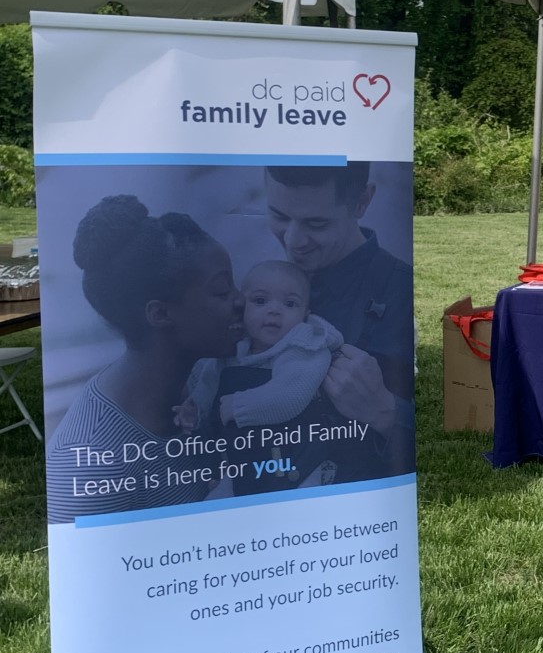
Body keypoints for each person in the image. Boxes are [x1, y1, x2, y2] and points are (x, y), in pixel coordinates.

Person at [46, 195, 244, 522]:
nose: (241, 300)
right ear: (160, 313)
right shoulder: (88, 464)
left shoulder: (207, 379)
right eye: (223, 291)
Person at [263, 163, 414, 476]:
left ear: (362, 202)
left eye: (315, 223)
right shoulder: (262, 283)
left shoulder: (402, 293)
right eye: (279, 216)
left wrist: (386, 412)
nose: (292, 241)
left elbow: (447, 433)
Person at [176, 260, 342, 433]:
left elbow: (290, 395)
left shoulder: (304, 348)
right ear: (242, 306)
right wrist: (196, 410)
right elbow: (209, 381)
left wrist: (239, 406)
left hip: (294, 445)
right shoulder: (237, 345)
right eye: (260, 301)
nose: (274, 310)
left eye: (290, 304)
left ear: (305, 316)